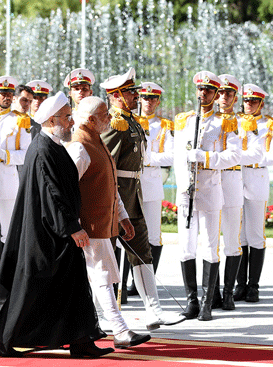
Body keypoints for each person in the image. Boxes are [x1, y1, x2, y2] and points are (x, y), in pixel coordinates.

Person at [0, 92, 113, 358]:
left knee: (72, 286)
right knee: (33, 289)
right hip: (47, 234)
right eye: (66, 117)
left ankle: (80, 341)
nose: (71, 122)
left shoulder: (53, 145)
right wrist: (71, 227)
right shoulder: (42, 149)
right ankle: (3, 338)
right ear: (52, 120)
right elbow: (52, 193)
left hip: (57, 231)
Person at [100, 68, 185, 330]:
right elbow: (107, 166)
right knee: (108, 258)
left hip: (133, 194)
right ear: (115, 96)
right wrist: (116, 203)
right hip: (117, 199)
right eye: (129, 92)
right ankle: (105, 315)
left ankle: (153, 312)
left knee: (143, 253)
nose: (135, 95)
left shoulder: (131, 120)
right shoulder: (116, 123)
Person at [66, 96, 151, 349]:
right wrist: (74, 225)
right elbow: (68, 192)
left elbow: (111, 187)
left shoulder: (98, 141)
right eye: (104, 115)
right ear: (90, 120)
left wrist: (123, 217)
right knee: (102, 277)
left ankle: (92, 327)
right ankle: (120, 330)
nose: (109, 119)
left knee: (100, 277)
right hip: (90, 226)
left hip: (104, 223)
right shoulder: (79, 147)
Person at [174, 71, 241, 321]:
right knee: (185, 247)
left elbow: (234, 156)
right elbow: (178, 159)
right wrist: (182, 188)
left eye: (209, 91)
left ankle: (207, 302)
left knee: (211, 247)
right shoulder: (185, 121)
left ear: (215, 95)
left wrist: (206, 158)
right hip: (187, 194)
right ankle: (191, 300)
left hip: (211, 191)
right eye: (201, 90)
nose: (204, 94)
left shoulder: (225, 123)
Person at [213, 74, 260, 311]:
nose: (223, 98)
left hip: (232, 179)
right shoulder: (206, 120)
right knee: (210, 242)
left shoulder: (245, 122)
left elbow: (258, 153)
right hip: (209, 181)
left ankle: (229, 292)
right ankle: (211, 292)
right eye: (220, 93)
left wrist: (229, 157)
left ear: (235, 96)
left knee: (232, 239)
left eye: (229, 94)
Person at [0, 76, 31, 298]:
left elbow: (26, 154)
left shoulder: (20, 120)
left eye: (10, 93)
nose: (7, 97)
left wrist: (3, 154)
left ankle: (7, 281)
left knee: (8, 232)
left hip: (8, 176)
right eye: (2, 93)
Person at [234, 83, 273, 303]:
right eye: (246, 100)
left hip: (256, 177)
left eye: (253, 101)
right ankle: (240, 285)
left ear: (261, 103)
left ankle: (253, 286)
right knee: (238, 235)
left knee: (255, 234)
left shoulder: (271, 125)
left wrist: (254, 158)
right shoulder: (233, 121)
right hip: (235, 178)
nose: (249, 105)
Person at [127, 82, 174, 297]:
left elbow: (171, 155)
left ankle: (148, 280)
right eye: (145, 97)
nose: (149, 102)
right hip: (131, 182)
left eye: (153, 98)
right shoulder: (128, 121)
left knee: (153, 234)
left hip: (152, 180)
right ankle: (127, 282)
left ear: (158, 100)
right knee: (127, 230)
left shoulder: (165, 125)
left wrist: (148, 158)